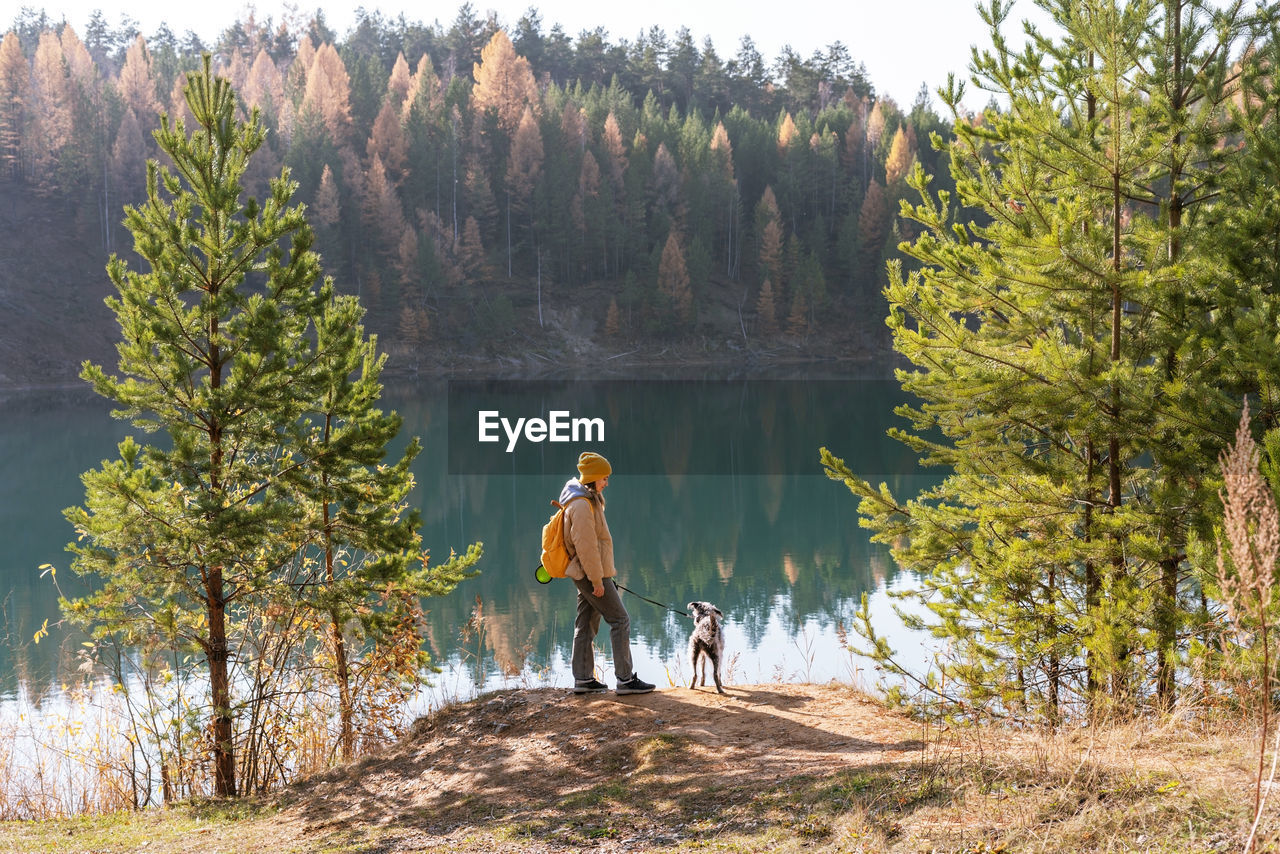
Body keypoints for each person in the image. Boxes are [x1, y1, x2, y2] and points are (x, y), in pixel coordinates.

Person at [560, 451, 655, 695]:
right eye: (604, 478)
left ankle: (583, 679)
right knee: (620, 620)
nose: (607, 482)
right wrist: (596, 580)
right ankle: (625, 679)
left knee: (586, 623)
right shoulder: (581, 505)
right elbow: (587, 547)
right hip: (591, 574)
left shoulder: (587, 498)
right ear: (592, 478)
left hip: (590, 573)